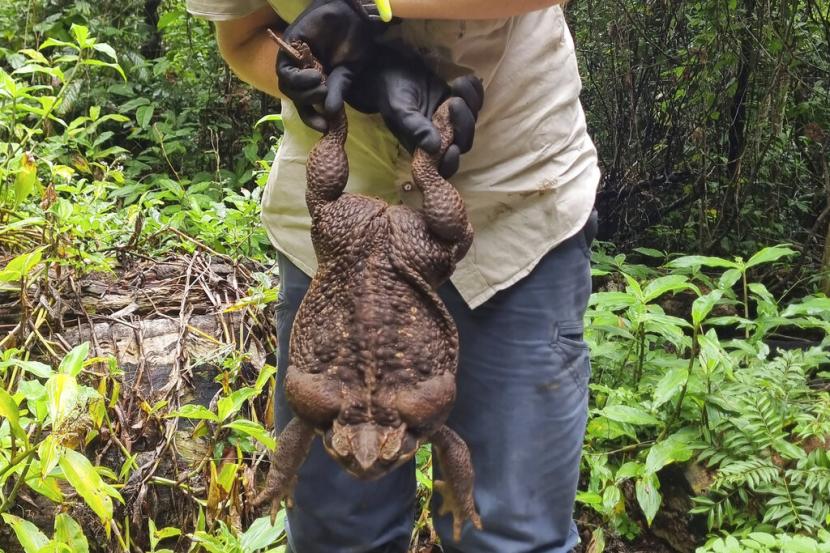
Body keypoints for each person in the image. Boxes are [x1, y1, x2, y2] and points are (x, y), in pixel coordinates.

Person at [186, 1, 600, 551]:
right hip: (337, 237)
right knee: (336, 537)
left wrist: (369, 5)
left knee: (509, 537)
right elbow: (243, 39)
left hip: (512, 208)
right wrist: (332, 82)